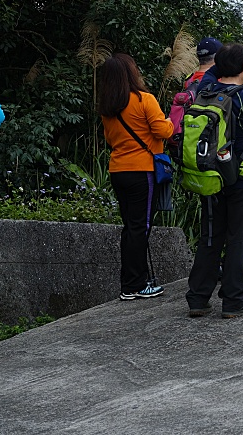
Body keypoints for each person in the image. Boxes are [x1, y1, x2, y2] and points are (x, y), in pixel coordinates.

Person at [185, 43, 243, 318]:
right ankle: (234, 299)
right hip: (242, 179)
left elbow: (215, 71)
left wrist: (228, 61)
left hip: (211, 177)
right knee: (239, 238)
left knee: (210, 236)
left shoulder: (206, 91)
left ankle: (198, 298)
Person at [97, 53, 174, 301]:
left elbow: (110, 140)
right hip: (143, 171)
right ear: (131, 73)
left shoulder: (107, 107)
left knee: (131, 226)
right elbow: (163, 130)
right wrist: (173, 121)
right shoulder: (144, 100)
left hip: (118, 170)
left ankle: (128, 283)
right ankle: (137, 285)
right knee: (141, 227)